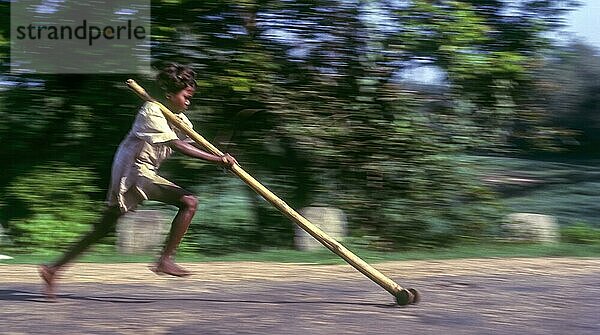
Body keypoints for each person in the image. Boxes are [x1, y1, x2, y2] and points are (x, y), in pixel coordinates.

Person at [39, 63, 237, 299]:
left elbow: (191, 143)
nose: (188, 101)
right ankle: (165, 260)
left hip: (145, 172)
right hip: (132, 171)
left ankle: (52, 269)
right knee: (189, 201)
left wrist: (219, 155)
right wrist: (217, 160)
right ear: (169, 94)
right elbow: (177, 145)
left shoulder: (180, 119)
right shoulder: (151, 111)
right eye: (186, 96)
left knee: (103, 228)